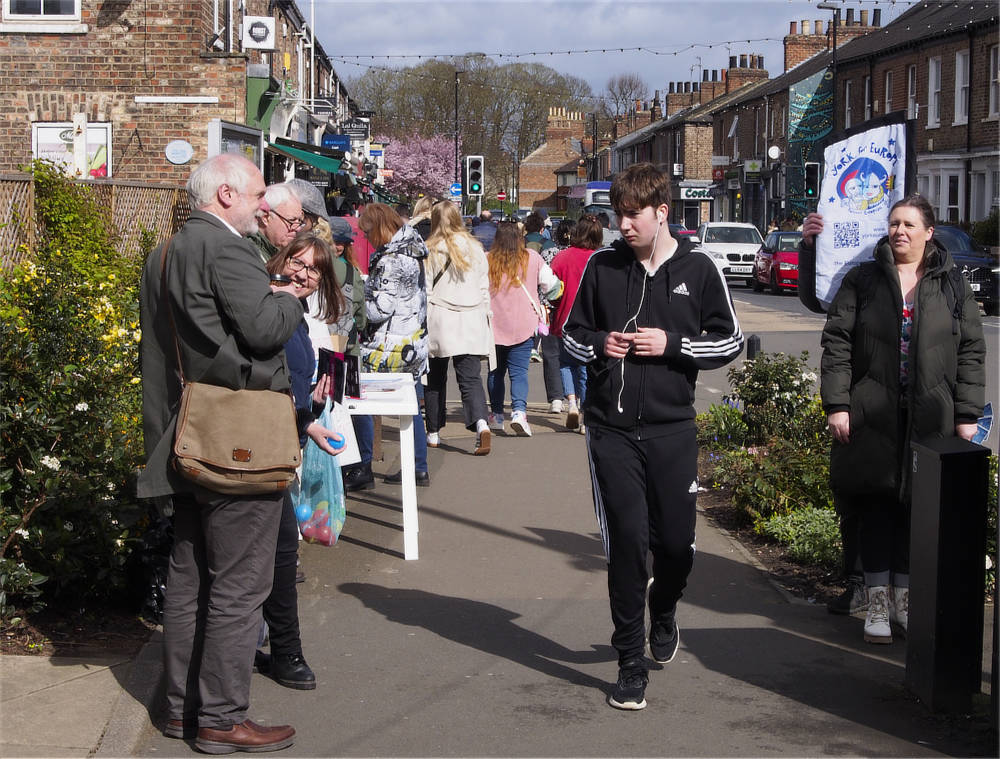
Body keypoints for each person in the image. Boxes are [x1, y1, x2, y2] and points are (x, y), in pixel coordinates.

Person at [138, 153, 304, 752]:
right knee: (239, 585)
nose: (265, 205)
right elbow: (262, 331)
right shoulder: (228, 247)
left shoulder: (164, 253)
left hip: (184, 438)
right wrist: (288, 296)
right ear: (226, 194)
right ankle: (221, 717)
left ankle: (182, 709)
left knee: (190, 581)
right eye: (258, 193)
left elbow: (160, 357)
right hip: (238, 440)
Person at [563, 162, 743, 710]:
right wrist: (599, 345)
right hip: (611, 431)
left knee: (674, 548)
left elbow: (728, 341)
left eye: (632, 214)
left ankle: (664, 609)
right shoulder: (602, 267)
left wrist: (673, 345)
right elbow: (569, 337)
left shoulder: (700, 268)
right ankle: (629, 663)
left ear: (662, 211)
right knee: (627, 546)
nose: (623, 225)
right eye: (617, 215)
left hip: (672, 430)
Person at [808, 194, 985, 645]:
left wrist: (966, 415)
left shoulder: (951, 285)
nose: (899, 231)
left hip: (931, 417)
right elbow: (838, 345)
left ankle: (905, 604)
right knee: (878, 512)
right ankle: (878, 607)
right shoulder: (863, 280)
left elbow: (970, 352)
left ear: (929, 231)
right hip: (873, 417)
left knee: (917, 514)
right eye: (894, 223)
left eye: (909, 224)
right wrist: (838, 405)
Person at [257, 234, 344, 690]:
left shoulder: (296, 313)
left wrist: (309, 420)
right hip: (258, 449)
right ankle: (285, 654)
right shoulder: (272, 306)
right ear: (281, 259)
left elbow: (289, 384)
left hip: (282, 443)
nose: (303, 273)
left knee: (273, 553)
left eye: (314, 269)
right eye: (298, 261)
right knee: (277, 554)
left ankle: (275, 650)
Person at [357, 203, 431, 486]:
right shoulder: (412, 251)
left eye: (368, 232)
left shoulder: (391, 259)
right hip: (412, 340)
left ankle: (363, 466)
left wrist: (355, 304)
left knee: (360, 403)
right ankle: (418, 465)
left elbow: (381, 308)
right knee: (412, 407)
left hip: (390, 345)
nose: (366, 238)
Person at [423, 201, 494, 456]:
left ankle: (433, 432)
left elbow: (427, 290)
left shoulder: (430, 249)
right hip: (472, 317)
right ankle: (482, 424)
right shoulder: (476, 249)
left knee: (435, 378)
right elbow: (484, 288)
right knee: (470, 378)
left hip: (441, 317)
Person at [486, 221, 562, 437]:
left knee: (495, 372)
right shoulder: (532, 257)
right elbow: (551, 285)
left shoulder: (487, 259)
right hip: (523, 324)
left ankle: (497, 415)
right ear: (520, 237)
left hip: (494, 325)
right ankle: (519, 412)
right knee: (519, 373)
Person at [549, 214, 603, 432]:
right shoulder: (601, 259)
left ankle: (570, 402)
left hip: (565, 318)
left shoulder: (562, 257)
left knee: (565, 362)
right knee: (585, 366)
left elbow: (552, 290)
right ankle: (584, 411)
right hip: (593, 320)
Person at [541, 218, 576, 413]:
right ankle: (575, 397)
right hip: (574, 309)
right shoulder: (581, 255)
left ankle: (555, 398)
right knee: (574, 355)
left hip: (549, 309)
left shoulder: (547, 254)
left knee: (551, 354)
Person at [248, 183, 305, 263]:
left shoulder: (279, 251)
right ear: (266, 218)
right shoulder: (250, 252)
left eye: (299, 221)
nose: (298, 228)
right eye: (291, 220)